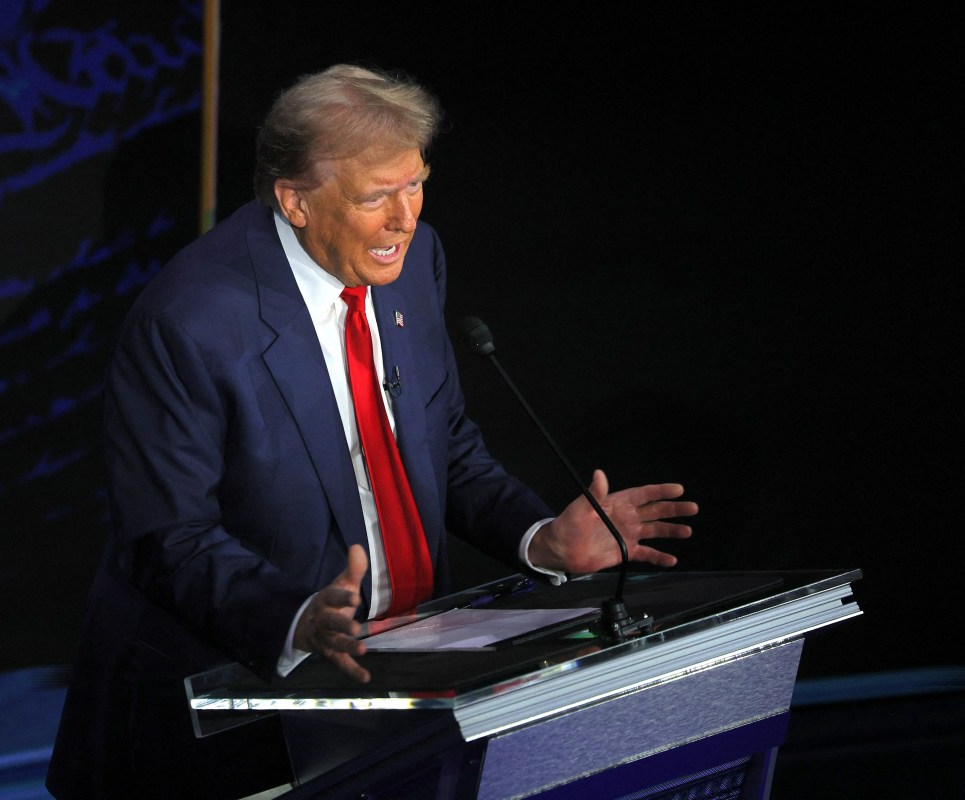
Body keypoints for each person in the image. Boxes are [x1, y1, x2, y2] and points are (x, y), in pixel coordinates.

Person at [46, 63, 697, 799]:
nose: (404, 218)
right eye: (374, 197)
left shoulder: (415, 261)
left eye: (415, 183)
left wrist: (538, 536)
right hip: (232, 732)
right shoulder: (190, 322)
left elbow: (440, 444)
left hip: (401, 707)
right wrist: (295, 617)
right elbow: (167, 537)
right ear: (294, 200)